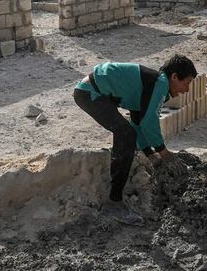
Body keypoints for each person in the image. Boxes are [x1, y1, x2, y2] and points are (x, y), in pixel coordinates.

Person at [73, 54, 197, 224]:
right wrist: (163, 151)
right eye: (187, 82)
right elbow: (149, 122)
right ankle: (114, 204)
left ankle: (115, 200)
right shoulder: (159, 83)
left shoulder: (151, 84)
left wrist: (149, 153)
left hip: (91, 93)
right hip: (90, 93)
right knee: (125, 134)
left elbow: (138, 123)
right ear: (174, 76)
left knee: (128, 132)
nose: (187, 90)